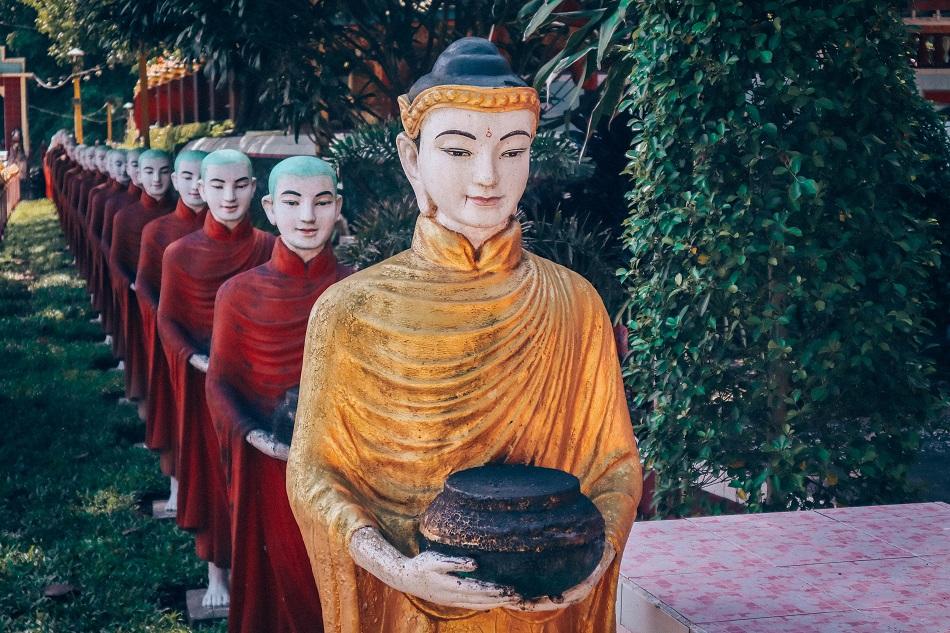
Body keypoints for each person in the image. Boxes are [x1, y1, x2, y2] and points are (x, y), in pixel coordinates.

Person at [287, 37, 642, 633]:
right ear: (410, 157)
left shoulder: (573, 303)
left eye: (512, 150)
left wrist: (591, 563)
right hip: (408, 604)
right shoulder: (351, 310)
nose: (487, 176)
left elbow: (615, 469)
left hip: (545, 600)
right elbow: (315, 475)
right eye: (456, 150)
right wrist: (398, 570)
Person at [206, 156, 349, 632]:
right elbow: (220, 383)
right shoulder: (239, 293)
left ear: (338, 208)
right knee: (283, 582)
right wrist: (255, 436)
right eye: (292, 202)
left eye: (321, 202)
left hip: (345, 468)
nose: (307, 216)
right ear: (269, 208)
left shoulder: (359, 290)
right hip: (273, 467)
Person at [157, 149, 275, 608]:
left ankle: (263, 572)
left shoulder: (268, 245)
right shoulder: (179, 253)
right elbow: (167, 320)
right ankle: (216, 575)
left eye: (239, 185)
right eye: (218, 186)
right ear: (201, 190)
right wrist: (193, 359)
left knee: (259, 482)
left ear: (253, 188)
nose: (229, 196)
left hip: (261, 383)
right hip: (206, 382)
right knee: (214, 476)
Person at [138, 149, 208, 503]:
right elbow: (146, 288)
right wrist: (172, 330)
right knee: (178, 415)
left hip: (219, 346)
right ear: (177, 181)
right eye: (187, 177)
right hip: (174, 339)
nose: (195, 186)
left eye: (202, 177)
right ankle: (178, 491)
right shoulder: (158, 229)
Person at [109, 150, 176, 401]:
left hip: (178, 308)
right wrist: (136, 287)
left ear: (173, 176)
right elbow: (116, 261)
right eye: (149, 172)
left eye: (163, 171)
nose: (157, 179)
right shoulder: (125, 216)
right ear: (137, 174)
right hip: (142, 301)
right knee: (147, 362)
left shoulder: (186, 217)